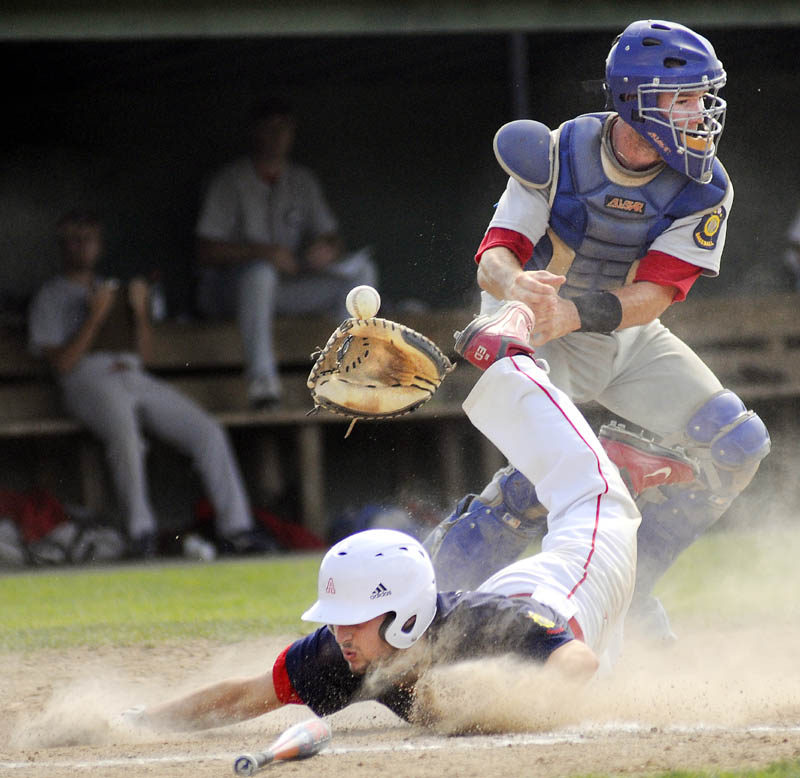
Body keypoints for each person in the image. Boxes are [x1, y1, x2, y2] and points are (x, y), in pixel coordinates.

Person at [121, 303, 639, 730]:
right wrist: (140, 722)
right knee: (609, 667)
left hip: (569, 589)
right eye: (336, 617)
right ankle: (536, 486)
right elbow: (242, 697)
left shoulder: (485, 624)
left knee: (599, 499)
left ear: (404, 616)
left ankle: (513, 362)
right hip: (538, 608)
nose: (339, 632)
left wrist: (497, 700)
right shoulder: (343, 657)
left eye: (351, 618)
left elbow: (576, 664)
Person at [423, 19, 771, 640]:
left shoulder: (703, 186)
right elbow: (497, 252)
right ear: (639, 100)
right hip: (531, 331)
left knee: (736, 445)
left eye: (702, 97)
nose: (701, 114)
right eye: (684, 99)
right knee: (541, 482)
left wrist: (579, 313)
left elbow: (658, 294)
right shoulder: (556, 153)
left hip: (616, 330)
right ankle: (430, 605)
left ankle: (624, 592)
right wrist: (514, 288)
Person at [27, 210, 274, 559]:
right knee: (127, 435)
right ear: (62, 244)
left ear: (99, 245)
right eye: (74, 238)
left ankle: (238, 529)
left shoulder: (113, 288)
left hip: (132, 374)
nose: (82, 246)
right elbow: (63, 364)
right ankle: (140, 533)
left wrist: (139, 311)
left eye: (89, 238)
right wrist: (96, 316)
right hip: (87, 378)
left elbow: (145, 356)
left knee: (207, 431)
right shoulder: (52, 295)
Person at [194, 96, 377, 409]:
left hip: (284, 291)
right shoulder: (231, 180)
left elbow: (332, 237)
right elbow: (204, 250)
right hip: (230, 294)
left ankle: (350, 373)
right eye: (269, 129)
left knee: (362, 273)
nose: (277, 137)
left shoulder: (301, 180)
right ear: (255, 133)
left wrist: (326, 249)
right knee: (260, 273)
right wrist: (263, 252)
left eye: (283, 129)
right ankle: (263, 387)